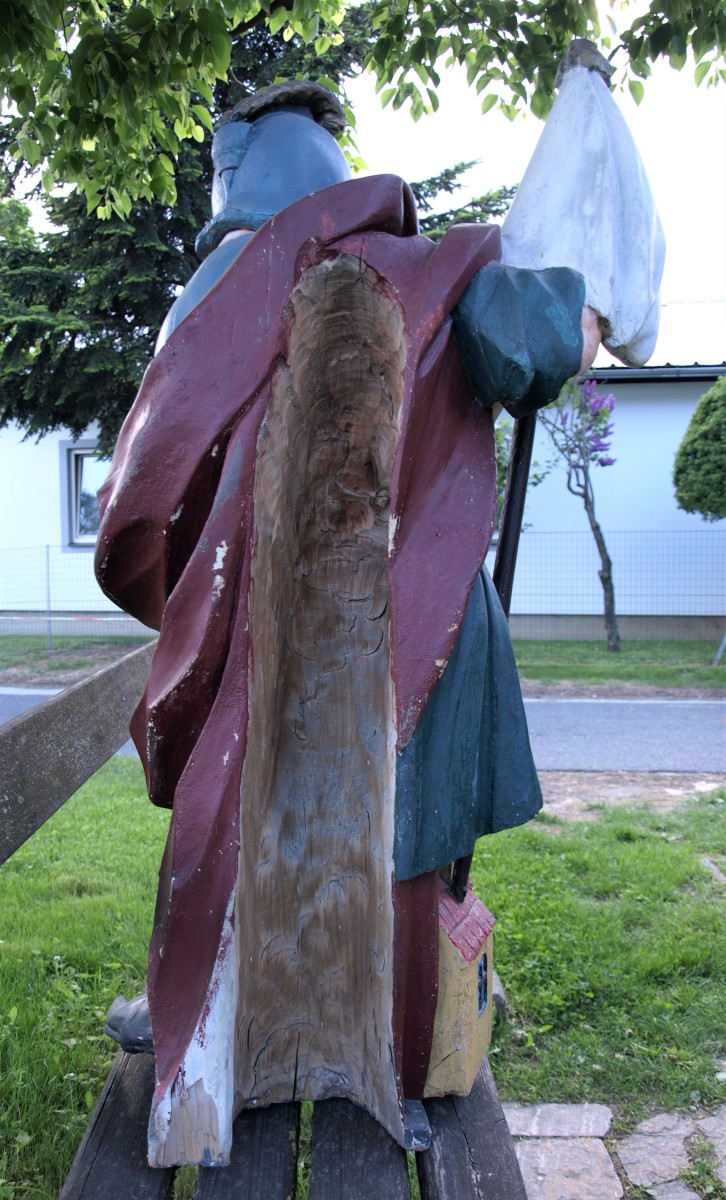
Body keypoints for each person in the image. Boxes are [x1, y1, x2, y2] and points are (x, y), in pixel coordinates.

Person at [95, 81, 599, 1166]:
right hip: (288, 616)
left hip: (408, 612)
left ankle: (391, 1061)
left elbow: (527, 342)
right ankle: (221, 1033)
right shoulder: (354, 272)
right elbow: (164, 467)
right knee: (255, 822)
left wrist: (548, 311)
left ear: (243, 175)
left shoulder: (421, 272)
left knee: (384, 839)